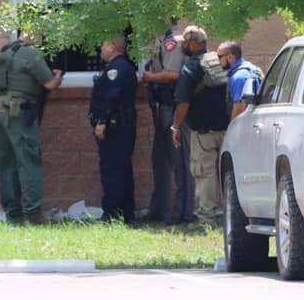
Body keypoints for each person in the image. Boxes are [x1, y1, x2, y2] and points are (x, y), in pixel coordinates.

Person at [0, 33, 64, 223]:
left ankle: (12, 213)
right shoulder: (32, 53)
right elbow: (50, 84)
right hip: (18, 111)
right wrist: (58, 74)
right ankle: (33, 213)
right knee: (28, 160)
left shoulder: (5, 51)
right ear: (36, 35)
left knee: (6, 163)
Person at [171, 26, 231, 226]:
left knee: (204, 174)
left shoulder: (190, 68)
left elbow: (183, 103)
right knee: (229, 174)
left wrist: (176, 127)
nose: (182, 46)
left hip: (203, 132)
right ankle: (232, 217)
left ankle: (206, 220)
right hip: (229, 128)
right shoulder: (220, 61)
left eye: (185, 43)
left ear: (194, 42)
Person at [138, 19, 193, 224]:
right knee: (161, 159)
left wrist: (150, 77)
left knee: (180, 159)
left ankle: (184, 212)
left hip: (174, 107)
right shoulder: (164, 41)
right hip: (164, 107)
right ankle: (160, 209)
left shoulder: (173, 42)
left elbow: (172, 74)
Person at [89, 37, 138, 224]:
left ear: (113, 47)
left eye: (104, 44)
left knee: (112, 170)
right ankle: (126, 213)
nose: (101, 47)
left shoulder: (116, 69)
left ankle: (113, 214)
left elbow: (112, 97)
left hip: (115, 127)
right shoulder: (119, 67)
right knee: (121, 168)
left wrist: (102, 121)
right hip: (120, 126)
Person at [219, 41, 263, 120]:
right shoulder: (253, 68)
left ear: (230, 57)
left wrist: (231, 130)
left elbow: (239, 109)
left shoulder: (238, 77)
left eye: (219, 56)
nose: (218, 61)